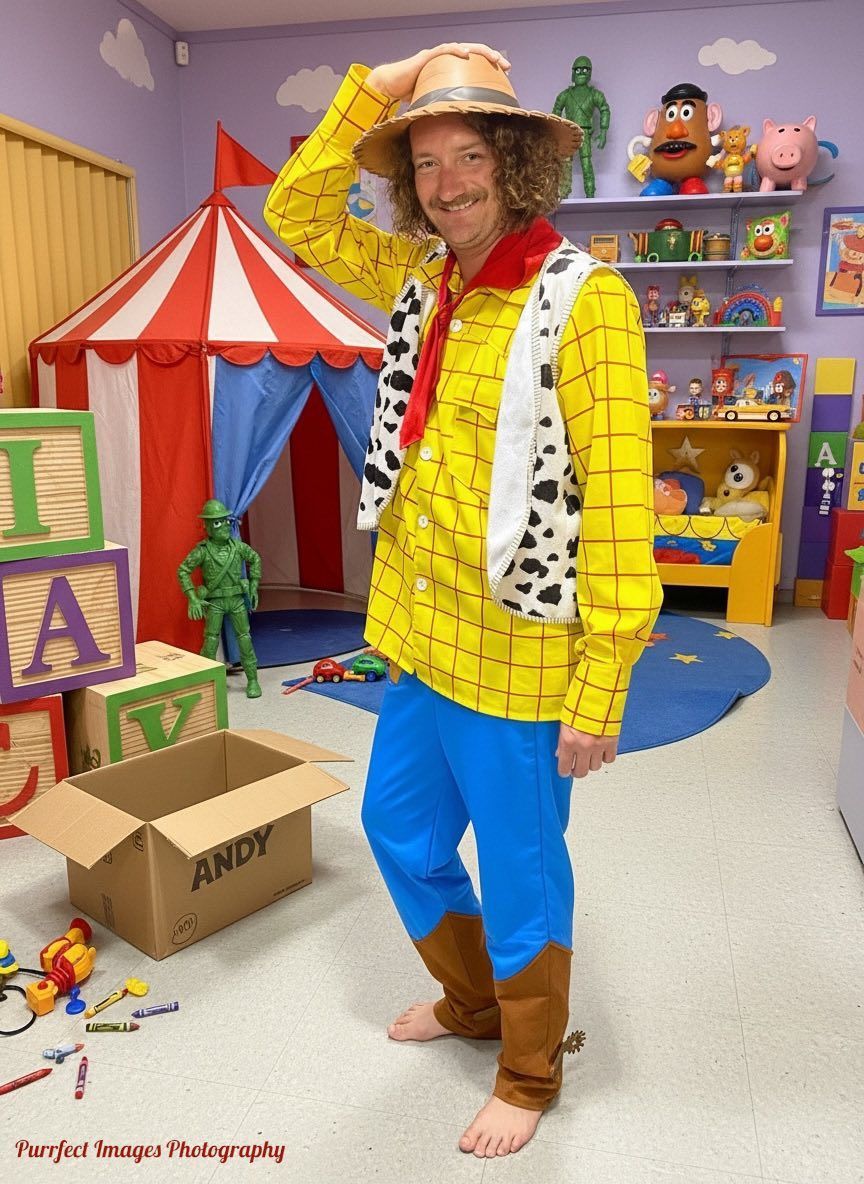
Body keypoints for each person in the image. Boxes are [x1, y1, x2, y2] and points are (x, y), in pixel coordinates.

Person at [264, 43, 661, 1158]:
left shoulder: (587, 302)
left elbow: (622, 503)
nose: (445, 182)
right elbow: (297, 206)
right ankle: (476, 999)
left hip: (524, 655)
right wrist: (378, 88)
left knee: (524, 865)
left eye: (470, 153)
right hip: (419, 635)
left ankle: (529, 1071)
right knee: (397, 826)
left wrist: (604, 683)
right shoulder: (417, 276)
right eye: (425, 161)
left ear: (518, 162)